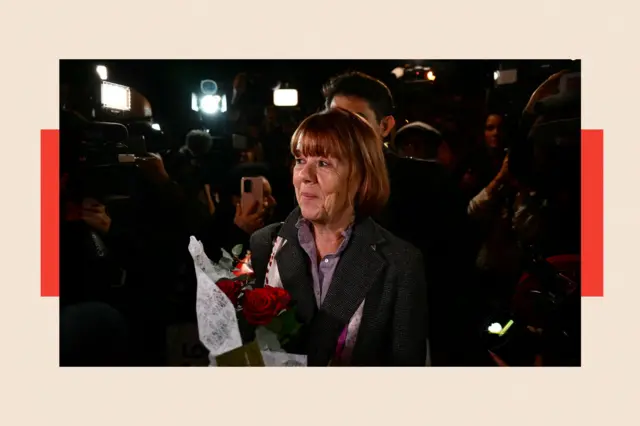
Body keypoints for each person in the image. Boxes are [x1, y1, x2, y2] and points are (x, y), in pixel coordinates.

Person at [250, 108, 428, 366]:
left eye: (324, 163)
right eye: (300, 160)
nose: (305, 176)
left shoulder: (400, 263)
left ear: (361, 175)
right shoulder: (264, 244)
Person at [322, 71, 478, 365]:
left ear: (385, 126)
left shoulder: (428, 181)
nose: (345, 130)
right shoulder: (312, 182)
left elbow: (454, 270)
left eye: (358, 120)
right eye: (336, 118)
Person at [200, 163, 277, 260]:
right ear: (238, 200)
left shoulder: (273, 228)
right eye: (264, 196)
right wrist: (241, 233)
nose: (273, 202)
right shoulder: (211, 234)